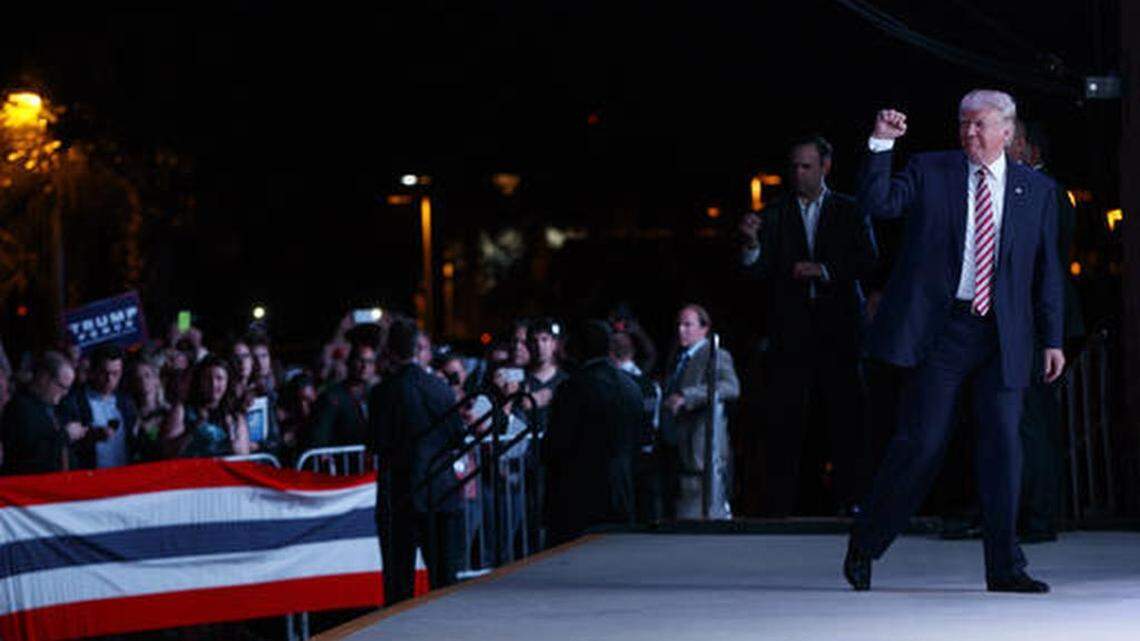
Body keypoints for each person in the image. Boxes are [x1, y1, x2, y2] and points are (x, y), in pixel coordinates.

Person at [845, 90, 1065, 594]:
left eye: (981, 125)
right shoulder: (930, 170)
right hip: (943, 331)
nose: (970, 133)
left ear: (1008, 132)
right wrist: (881, 143)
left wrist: (1052, 338)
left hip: (1004, 334)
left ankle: (1005, 567)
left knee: (1003, 449)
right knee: (921, 444)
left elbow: (1047, 271)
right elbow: (877, 204)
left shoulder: (1037, 191)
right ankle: (867, 542)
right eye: (963, 124)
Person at [739, 135, 877, 516]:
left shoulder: (850, 210)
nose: (799, 174)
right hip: (792, 333)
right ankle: (788, 504)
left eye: (807, 166)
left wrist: (825, 270)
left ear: (825, 166)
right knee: (788, 419)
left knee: (846, 416)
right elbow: (757, 270)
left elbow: (869, 260)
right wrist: (751, 243)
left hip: (840, 332)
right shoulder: (775, 212)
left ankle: (851, 500)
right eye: (795, 167)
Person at [1009, 119, 1085, 543]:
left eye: (1013, 140)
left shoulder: (1048, 192)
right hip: (1032, 319)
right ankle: (1024, 511)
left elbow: (1048, 263)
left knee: (1034, 419)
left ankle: (1038, 516)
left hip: (1041, 321)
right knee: (1024, 419)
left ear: (1031, 148)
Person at [371, 319, 466, 604]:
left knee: (399, 585)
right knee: (444, 582)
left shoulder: (382, 393)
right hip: (441, 491)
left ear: (390, 350)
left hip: (399, 494)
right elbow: (457, 436)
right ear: (418, 349)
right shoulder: (440, 388)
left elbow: (376, 442)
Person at [543, 320, 643, 545]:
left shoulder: (573, 388)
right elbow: (639, 438)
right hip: (621, 491)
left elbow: (557, 444)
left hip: (578, 496)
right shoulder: (631, 386)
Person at [660, 305, 740, 520]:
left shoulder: (715, 355)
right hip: (679, 449)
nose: (681, 330)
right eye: (679, 325)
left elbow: (731, 387)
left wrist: (688, 396)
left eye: (688, 325)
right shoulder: (679, 358)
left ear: (704, 329)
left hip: (702, 451)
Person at [1, 351, 85, 475]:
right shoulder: (19, 408)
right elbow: (28, 454)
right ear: (44, 378)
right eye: (62, 386)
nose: (65, 393)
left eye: (68, 388)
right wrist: (65, 435)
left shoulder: (56, 407)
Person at [610, 330, 663, 523]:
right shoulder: (651, 386)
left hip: (621, 460)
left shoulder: (614, 384)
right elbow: (655, 424)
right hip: (646, 457)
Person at [62, 343, 139, 469]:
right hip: (90, 476)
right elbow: (65, 444)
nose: (109, 379)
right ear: (92, 371)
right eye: (104, 373)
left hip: (125, 474)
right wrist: (88, 437)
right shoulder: (74, 401)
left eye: (115, 374)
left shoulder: (126, 402)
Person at [162, 355, 251, 458]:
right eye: (208, 378)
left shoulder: (235, 415)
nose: (213, 384)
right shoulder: (182, 410)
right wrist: (192, 429)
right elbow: (167, 452)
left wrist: (231, 431)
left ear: (227, 382)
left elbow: (243, 456)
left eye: (219, 378)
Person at [307, 343, 378, 449]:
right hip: (343, 461)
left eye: (370, 362)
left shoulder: (375, 395)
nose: (365, 367)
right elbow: (320, 437)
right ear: (350, 363)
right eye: (360, 361)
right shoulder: (332, 397)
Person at [125, 354, 171, 463]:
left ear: (156, 379)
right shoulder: (128, 414)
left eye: (147, 375)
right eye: (138, 377)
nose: (143, 381)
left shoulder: (168, 412)